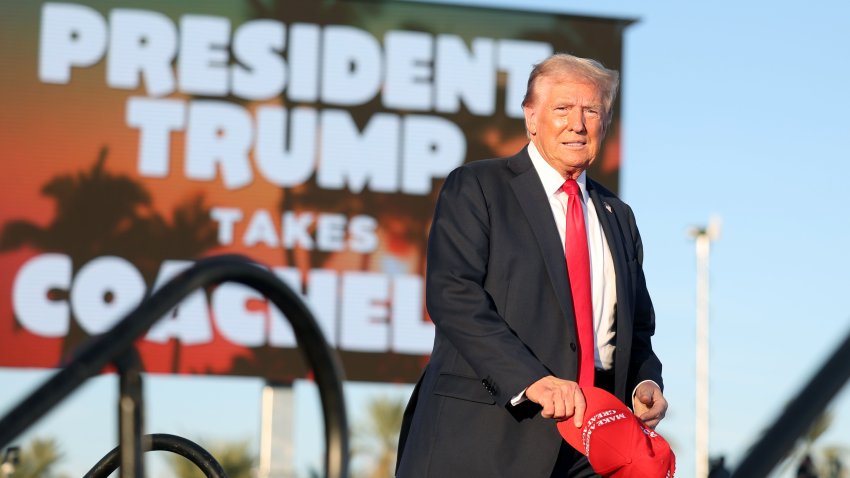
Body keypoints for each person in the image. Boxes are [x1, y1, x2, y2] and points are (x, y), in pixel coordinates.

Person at [395, 53, 668, 477]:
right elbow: (453, 295)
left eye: (591, 110)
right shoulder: (478, 186)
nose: (577, 124)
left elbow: (637, 329)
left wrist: (644, 383)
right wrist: (532, 380)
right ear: (532, 117)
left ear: (605, 123)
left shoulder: (619, 216)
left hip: (591, 448)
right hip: (487, 437)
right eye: (562, 109)